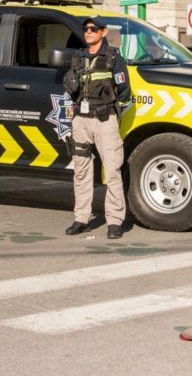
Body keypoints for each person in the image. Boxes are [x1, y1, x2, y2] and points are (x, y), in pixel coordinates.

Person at [63, 16, 131, 239]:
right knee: (81, 171)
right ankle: (81, 218)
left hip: (105, 120)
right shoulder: (78, 58)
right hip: (81, 120)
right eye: (86, 29)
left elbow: (124, 91)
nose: (89, 32)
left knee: (112, 171)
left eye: (93, 29)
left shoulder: (113, 58)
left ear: (103, 32)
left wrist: (114, 114)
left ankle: (114, 221)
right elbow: (71, 89)